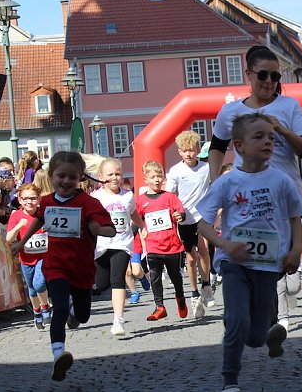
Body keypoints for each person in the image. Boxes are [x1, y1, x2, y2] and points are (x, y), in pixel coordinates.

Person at [196, 113, 302, 392]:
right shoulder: (227, 182)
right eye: (259, 137)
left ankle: (266, 333)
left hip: (268, 265)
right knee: (237, 321)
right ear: (239, 145)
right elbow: (202, 225)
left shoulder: (281, 180)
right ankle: (229, 387)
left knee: (255, 338)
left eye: (271, 137)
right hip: (233, 263)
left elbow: (295, 216)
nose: (268, 141)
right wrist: (225, 244)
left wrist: (295, 249)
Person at [10, 151, 115, 382]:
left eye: (71, 177)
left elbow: (111, 229)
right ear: (51, 176)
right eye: (61, 176)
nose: (66, 181)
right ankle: (58, 353)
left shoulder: (89, 203)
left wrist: (98, 229)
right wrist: (22, 242)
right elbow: (39, 218)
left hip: (82, 267)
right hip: (56, 265)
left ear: (80, 178)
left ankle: (74, 315)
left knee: (83, 316)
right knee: (58, 306)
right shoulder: (47, 201)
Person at [207, 45, 302, 187]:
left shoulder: (290, 105)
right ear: (249, 74)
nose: (269, 81)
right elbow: (217, 147)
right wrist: (215, 181)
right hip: (247, 195)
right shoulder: (230, 111)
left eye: (275, 76)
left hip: (285, 195)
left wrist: (282, 130)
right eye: (263, 75)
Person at [92, 159, 144, 336]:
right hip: (101, 246)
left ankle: (118, 320)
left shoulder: (128, 196)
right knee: (102, 283)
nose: (115, 178)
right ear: (100, 178)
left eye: (118, 174)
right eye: (110, 175)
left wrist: (143, 227)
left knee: (117, 279)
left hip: (122, 244)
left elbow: (133, 213)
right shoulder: (96, 198)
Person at [166, 130, 214, 319]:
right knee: (191, 258)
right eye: (185, 151)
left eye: (192, 150)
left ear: (197, 150)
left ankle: (206, 284)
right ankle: (194, 292)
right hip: (184, 219)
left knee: (204, 249)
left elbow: (214, 187)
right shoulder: (176, 171)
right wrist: (175, 212)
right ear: (179, 152)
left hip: (202, 216)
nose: (188, 154)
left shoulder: (206, 168)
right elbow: (170, 196)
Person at [136, 161, 188, 322]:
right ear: (146, 179)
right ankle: (160, 307)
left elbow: (181, 212)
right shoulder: (141, 201)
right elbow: (135, 220)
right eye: (153, 177)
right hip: (153, 246)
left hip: (172, 246)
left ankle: (180, 297)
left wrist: (180, 216)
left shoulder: (170, 197)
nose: (157, 180)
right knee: (155, 277)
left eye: (160, 176)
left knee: (176, 278)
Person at [6, 183, 52, 330]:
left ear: (39, 199)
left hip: (44, 256)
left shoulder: (44, 214)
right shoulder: (16, 216)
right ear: (19, 200)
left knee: (39, 283)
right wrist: (19, 226)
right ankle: (36, 311)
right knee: (32, 289)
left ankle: (45, 308)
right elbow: (8, 238)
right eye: (25, 199)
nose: (29, 202)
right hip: (26, 259)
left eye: (33, 198)